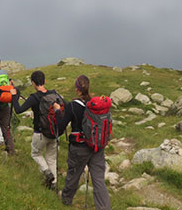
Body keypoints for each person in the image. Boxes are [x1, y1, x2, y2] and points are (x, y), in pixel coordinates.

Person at [55, 75, 110, 210]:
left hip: (79, 148)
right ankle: (103, 207)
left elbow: (61, 126)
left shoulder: (73, 106)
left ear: (77, 89)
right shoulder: (96, 105)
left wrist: (57, 111)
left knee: (73, 176)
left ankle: (66, 202)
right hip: (97, 147)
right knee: (98, 180)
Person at [12, 70, 64, 189]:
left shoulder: (34, 97)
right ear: (44, 81)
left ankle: (47, 173)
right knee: (52, 159)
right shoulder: (54, 94)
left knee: (35, 154)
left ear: (33, 83)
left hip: (40, 133)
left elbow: (18, 110)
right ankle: (53, 186)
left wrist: (15, 96)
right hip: (55, 132)